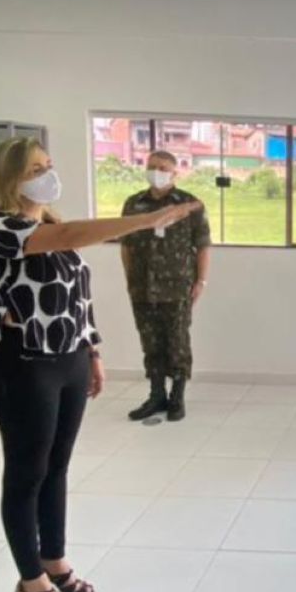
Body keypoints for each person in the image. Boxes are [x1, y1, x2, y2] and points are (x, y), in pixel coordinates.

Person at [0, 136, 201, 592]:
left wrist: (92, 352)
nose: (47, 175)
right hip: (23, 362)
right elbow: (71, 236)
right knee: (27, 472)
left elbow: (77, 297)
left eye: (48, 165)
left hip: (69, 358)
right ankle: (30, 579)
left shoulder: (51, 226)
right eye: (35, 169)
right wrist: (145, 220)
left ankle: (54, 561)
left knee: (56, 468)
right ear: (8, 178)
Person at [120, 151, 211, 423]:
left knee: (178, 343)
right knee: (150, 343)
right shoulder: (134, 204)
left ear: (174, 172)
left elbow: (203, 246)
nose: (156, 172)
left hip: (177, 287)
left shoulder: (189, 204)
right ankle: (156, 395)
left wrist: (201, 281)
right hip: (142, 287)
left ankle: (177, 397)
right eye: (152, 167)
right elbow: (126, 246)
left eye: (162, 168)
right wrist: (129, 279)